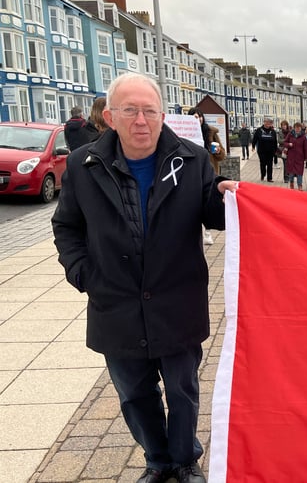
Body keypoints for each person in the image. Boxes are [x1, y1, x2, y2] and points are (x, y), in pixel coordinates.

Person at [51, 72, 239, 483]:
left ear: (163, 114)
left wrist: (232, 201)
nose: (141, 120)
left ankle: (186, 460)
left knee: (183, 391)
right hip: (114, 303)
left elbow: (212, 212)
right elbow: (66, 226)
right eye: (130, 110)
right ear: (111, 116)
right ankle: (158, 460)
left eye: (149, 110)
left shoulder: (191, 160)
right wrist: (83, 274)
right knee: (134, 395)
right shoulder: (84, 166)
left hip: (177, 301)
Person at [188, 107, 226, 246]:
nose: (197, 119)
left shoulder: (210, 133)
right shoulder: (186, 134)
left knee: (208, 199)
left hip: (209, 171)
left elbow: (222, 155)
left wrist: (217, 151)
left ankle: (208, 233)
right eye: (193, 117)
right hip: (191, 172)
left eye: (199, 116)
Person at [282, 122, 307, 190]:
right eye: (296, 128)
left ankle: (300, 186)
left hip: (300, 157)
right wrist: (289, 144)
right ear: (294, 128)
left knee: (299, 173)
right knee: (291, 172)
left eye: (299, 128)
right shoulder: (290, 134)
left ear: (301, 128)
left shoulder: (303, 137)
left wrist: (306, 157)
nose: (297, 129)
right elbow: (284, 143)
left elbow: (306, 147)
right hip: (291, 157)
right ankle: (291, 184)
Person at [252, 117, 277, 182]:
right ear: (264, 122)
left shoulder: (273, 131)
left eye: (269, 123)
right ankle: (263, 174)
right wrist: (253, 146)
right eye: (267, 122)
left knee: (270, 164)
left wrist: (275, 149)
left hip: (270, 151)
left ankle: (269, 178)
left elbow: (275, 141)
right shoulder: (259, 130)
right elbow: (255, 139)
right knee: (263, 163)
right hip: (261, 150)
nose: (268, 124)